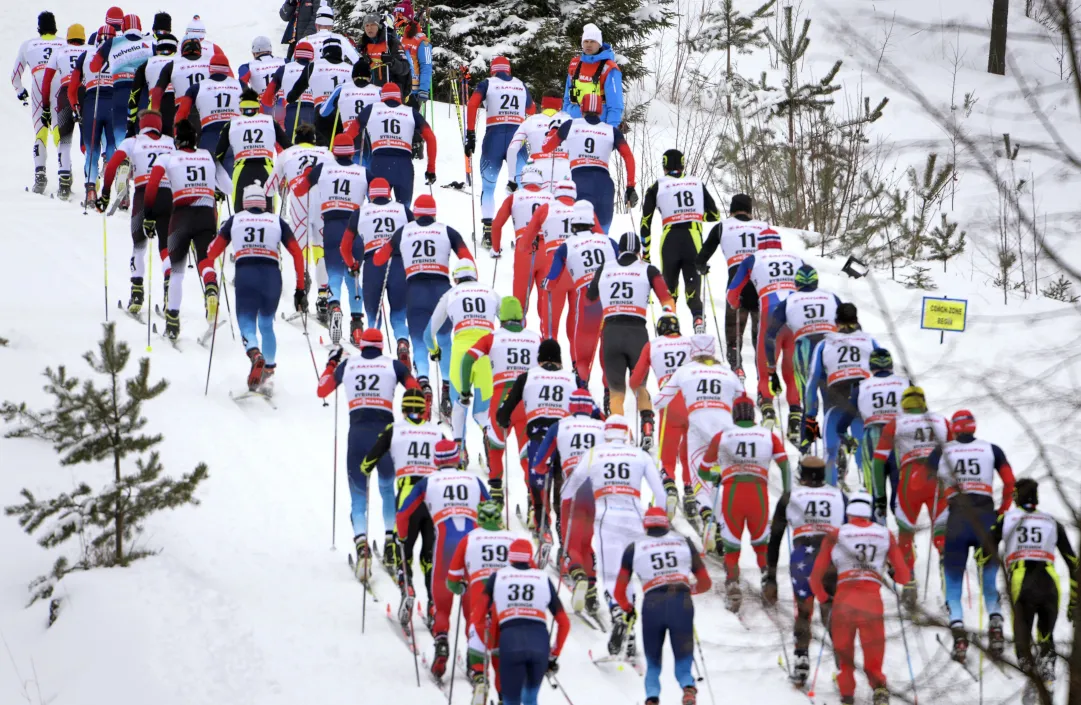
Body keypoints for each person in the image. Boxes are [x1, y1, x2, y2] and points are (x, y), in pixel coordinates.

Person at [561, 414, 670, 658]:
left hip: (606, 520)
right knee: (628, 576)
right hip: (635, 519)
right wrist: (660, 518)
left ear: (606, 433)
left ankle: (618, 613)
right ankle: (630, 635)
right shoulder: (639, 455)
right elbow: (659, 493)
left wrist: (565, 501)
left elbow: (573, 483)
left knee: (611, 575)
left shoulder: (594, 453)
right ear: (627, 433)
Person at [316, 331, 422, 578]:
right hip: (385, 434)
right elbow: (415, 391)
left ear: (361, 346)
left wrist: (331, 362)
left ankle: (362, 545)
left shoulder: (348, 364)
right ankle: (390, 542)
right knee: (387, 490)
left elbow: (322, 390)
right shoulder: (391, 365)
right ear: (382, 346)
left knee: (358, 495)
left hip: (358, 434)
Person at [397, 439, 491, 679]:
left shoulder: (428, 481)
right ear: (457, 458)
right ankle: (475, 656)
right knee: (474, 605)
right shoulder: (474, 480)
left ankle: (441, 642)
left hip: (446, 544)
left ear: (436, 460)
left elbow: (404, 512)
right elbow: (492, 512)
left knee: (441, 600)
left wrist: (403, 536)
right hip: (473, 545)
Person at [198, 183, 306, 391]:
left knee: (246, 322)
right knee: (266, 324)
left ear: (245, 203)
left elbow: (212, 252)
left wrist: (208, 270)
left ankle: (255, 354)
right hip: (271, 275)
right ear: (264, 203)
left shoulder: (236, 220)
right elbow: (297, 253)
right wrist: (300, 288)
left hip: (246, 273)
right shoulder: (276, 221)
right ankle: (269, 370)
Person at [928, 409, 1016, 661]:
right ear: (974, 427)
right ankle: (996, 628)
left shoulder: (944, 450)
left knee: (954, 581)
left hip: (957, 518)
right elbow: (1011, 483)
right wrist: (1003, 510)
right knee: (988, 581)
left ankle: (958, 633)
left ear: (954, 428)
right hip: (986, 518)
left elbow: (924, 479)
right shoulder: (993, 449)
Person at [373, 194, 475, 410]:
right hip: (441, 289)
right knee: (445, 339)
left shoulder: (405, 231)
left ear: (416, 213)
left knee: (419, 339)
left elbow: (379, 259)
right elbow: (468, 260)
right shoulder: (447, 230)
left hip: (415, 289)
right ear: (434, 213)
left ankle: (423, 383)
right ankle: (447, 389)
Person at [809, 491, 910, 705]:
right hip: (872, 601)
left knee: (845, 658)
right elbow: (904, 576)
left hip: (843, 601)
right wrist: (892, 572)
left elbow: (815, 580)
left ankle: (847, 694)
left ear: (849, 511)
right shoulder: (884, 535)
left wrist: (824, 598)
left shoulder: (836, 534)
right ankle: (879, 688)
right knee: (873, 654)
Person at [697, 393, 790, 610]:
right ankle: (768, 580)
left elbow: (703, 470)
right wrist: (787, 493)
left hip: (732, 492)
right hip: (758, 492)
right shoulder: (767, 435)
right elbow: (785, 465)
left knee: (731, 544)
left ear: (735, 414)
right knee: (760, 542)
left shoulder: (723, 435)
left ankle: (732, 585)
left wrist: (716, 477)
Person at [142, 119, 232, 340]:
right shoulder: (208, 155)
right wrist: (212, 189)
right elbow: (228, 187)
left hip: (180, 215)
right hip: (206, 214)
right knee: (206, 259)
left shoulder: (168, 157)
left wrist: (148, 215)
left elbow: (152, 186)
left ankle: (172, 320)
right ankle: (210, 288)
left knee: (177, 270)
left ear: (177, 140)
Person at [359, 388, 444, 620]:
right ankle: (434, 603)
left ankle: (406, 587)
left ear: (404, 408)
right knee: (429, 556)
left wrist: (365, 468)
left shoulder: (394, 430)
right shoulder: (437, 433)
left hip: (408, 495)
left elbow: (370, 459)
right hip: (434, 498)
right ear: (424, 409)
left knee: (402, 549)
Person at [614, 506, 711, 705]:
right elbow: (705, 583)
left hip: (652, 604)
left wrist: (627, 608)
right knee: (683, 659)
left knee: (653, 664)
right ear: (666, 523)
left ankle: (651, 698)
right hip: (681, 603)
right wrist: (686, 589)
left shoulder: (634, 547)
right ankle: (688, 689)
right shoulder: (684, 541)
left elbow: (619, 590)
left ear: (645, 525)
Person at [586, 230, 675, 440]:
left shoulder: (605, 267)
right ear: (638, 251)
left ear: (619, 250)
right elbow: (667, 300)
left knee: (616, 391)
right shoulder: (648, 269)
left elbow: (590, 297)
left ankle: (619, 433)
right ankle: (647, 427)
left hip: (612, 331)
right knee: (640, 385)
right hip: (637, 332)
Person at [763, 456, 844, 687]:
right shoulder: (839, 495)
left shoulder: (791, 496)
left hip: (803, 557)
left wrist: (771, 577)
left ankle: (801, 660)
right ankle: (843, 664)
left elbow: (775, 539)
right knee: (830, 609)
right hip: (832, 557)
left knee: (803, 610)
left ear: (802, 474)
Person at [995, 478, 1077, 696]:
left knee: (1022, 637)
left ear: (1016, 497)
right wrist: (1075, 601)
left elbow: (985, 551)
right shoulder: (1051, 521)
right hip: (1050, 582)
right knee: (1046, 636)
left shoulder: (1007, 518)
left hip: (1022, 583)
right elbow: (1074, 563)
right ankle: (1046, 677)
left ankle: (1033, 678)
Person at [870, 386, 950, 608]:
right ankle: (949, 591)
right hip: (938, 482)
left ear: (904, 404)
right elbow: (956, 452)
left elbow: (878, 461)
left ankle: (909, 583)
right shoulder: (941, 420)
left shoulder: (896, 422)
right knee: (943, 536)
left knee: (905, 534)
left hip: (909, 480)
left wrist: (879, 497)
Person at [462, 297, 542, 507]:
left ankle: (496, 493)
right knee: (528, 452)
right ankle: (534, 503)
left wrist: (464, 390)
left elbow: (468, 358)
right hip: (528, 400)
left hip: (501, 397)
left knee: (495, 445)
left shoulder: (493, 337)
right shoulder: (536, 338)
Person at [530, 389, 604, 617]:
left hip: (572, 487)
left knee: (572, 541)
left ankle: (579, 575)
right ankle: (591, 589)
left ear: (570, 407)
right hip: (597, 489)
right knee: (586, 539)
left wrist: (543, 470)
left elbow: (540, 463)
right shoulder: (602, 427)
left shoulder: (559, 426)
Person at [471, 538, 571, 705]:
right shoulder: (542, 578)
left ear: (510, 558)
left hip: (510, 641)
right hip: (539, 642)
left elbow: (477, 616)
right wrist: (553, 655)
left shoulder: (498, 577)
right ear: (529, 558)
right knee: (530, 698)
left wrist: (487, 643)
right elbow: (564, 623)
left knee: (511, 700)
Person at [495, 338, 578, 538]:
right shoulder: (572, 378)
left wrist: (503, 420)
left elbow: (504, 412)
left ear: (539, 360)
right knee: (561, 484)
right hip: (564, 439)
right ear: (559, 360)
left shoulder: (527, 377)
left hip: (540, 438)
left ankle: (542, 525)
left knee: (539, 484)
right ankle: (562, 527)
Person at [99, 111, 176, 314]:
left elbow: (112, 165)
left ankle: (137, 291)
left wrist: (105, 193)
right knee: (166, 248)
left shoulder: (133, 141)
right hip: (168, 195)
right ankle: (170, 291)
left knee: (139, 245)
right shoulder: (170, 142)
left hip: (143, 195)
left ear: (142, 125)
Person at [726, 228, 804, 425]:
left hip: (771, 312)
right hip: (796, 314)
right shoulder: (795, 258)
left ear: (759, 244)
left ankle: (767, 406)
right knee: (791, 368)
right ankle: (795, 410)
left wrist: (735, 304)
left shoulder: (754, 258)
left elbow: (732, 291)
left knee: (765, 367)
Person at [638, 149, 720, 332]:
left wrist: (646, 253)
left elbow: (645, 222)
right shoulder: (697, 182)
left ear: (664, 165)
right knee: (693, 289)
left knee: (670, 291)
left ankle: (671, 327)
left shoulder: (657, 186)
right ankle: (698, 320)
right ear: (683, 164)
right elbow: (715, 215)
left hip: (670, 239)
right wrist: (695, 216)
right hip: (693, 238)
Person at [296, 133, 367, 344]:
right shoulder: (363, 172)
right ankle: (357, 326)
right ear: (352, 153)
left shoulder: (323, 169)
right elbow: (379, 196)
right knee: (353, 276)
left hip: (332, 227)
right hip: (354, 227)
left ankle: (334, 305)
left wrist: (308, 175)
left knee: (334, 271)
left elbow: (300, 189)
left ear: (334, 152)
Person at [653, 334, 744, 495]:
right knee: (722, 473)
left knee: (698, 471)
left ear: (692, 351)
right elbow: (742, 400)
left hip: (697, 426)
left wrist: (649, 404)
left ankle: (694, 497)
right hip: (723, 429)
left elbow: (661, 400)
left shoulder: (684, 370)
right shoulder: (726, 372)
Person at [802, 303, 883, 486]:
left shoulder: (825, 343)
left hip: (836, 402)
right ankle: (869, 490)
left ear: (836, 322)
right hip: (860, 402)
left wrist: (810, 416)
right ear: (857, 321)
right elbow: (883, 372)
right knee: (864, 450)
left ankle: (831, 490)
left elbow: (813, 380)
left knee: (830, 452)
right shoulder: (869, 341)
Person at [542, 200, 618, 386]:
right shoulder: (609, 241)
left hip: (587, 300)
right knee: (606, 348)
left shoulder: (567, 245)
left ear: (573, 223)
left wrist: (546, 285)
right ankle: (610, 393)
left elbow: (552, 280)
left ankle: (581, 388)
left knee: (584, 354)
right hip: (611, 298)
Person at [447, 500, 515, 705]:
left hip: (480, 601)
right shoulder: (513, 538)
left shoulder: (469, 539)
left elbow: (451, 580)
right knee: (501, 651)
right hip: (508, 604)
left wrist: (461, 588)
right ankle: (505, 695)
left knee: (478, 641)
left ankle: (479, 678)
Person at [629, 314, 696, 518]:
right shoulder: (691, 342)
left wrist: (642, 393)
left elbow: (634, 381)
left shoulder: (653, 345)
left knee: (667, 457)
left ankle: (669, 489)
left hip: (669, 403)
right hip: (693, 401)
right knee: (688, 454)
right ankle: (690, 491)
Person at [424, 261, 501, 436]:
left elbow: (428, 334)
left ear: (455, 279)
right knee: (482, 413)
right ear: (475, 276)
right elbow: (514, 320)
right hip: (487, 354)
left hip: (460, 354)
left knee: (458, 408)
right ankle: (490, 442)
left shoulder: (450, 294)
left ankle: (460, 452)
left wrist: (434, 351)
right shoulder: (490, 292)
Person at [766, 264, 841, 440]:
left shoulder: (789, 301)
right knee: (831, 403)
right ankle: (835, 446)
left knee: (809, 402)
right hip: (832, 350)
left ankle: (808, 446)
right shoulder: (832, 297)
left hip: (805, 352)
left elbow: (770, 335)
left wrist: (771, 367)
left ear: (796, 284)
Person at [696, 194, 768, 377]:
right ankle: (763, 379)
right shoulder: (763, 227)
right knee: (759, 338)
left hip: (737, 286)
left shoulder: (722, 227)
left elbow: (701, 258)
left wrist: (702, 267)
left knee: (734, 337)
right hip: (761, 288)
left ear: (731, 210)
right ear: (750, 211)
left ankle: (737, 369)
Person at [543, 94, 636, 234]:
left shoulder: (570, 125)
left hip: (579, 182)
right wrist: (630, 186)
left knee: (578, 236)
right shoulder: (611, 130)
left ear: (581, 109)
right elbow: (628, 157)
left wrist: (554, 131)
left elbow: (546, 148)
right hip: (604, 185)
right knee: (602, 236)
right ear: (601, 111)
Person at [342, 177, 412, 363]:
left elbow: (344, 247)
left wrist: (352, 265)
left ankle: (372, 356)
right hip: (399, 264)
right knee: (398, 315)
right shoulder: (402, 209)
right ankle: (403, 343)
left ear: (370, 195)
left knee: (374, 315)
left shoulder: (361, 213)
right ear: (389, 193)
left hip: (373, 264)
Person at [465, 57, 535, 242]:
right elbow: (532, 109)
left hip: (494, 138)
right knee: (520, 187)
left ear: (492, 70)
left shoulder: (487, 83)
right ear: (509, 70)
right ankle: (521, 232)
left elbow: (472, 104)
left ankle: (488, 232)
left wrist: (470, 134)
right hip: (517, 139)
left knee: (489, 186)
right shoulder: (520, 84)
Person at [265, 123, 330, 321]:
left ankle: (302, 289)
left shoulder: (287, 153)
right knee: (321, 247)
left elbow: (269, 187)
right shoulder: (326, 153)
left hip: (299, 200)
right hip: (322, 200)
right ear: (313, 140)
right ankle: (323, 296)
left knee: (299, 248)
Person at [349, 81, 436, 209]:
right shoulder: (410, 112)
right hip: (403, 166)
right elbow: (431, 138)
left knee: (377, 210)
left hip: (379, 164)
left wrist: (342, 159)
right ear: (399, 97)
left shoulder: (372, 109)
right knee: (403, 212)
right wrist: (431, 168)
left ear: (382, 96)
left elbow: (349, 134)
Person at [516, 179, 583, 339]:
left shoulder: (546, 208)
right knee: (577, 323)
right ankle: (577, 362)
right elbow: (600, 238)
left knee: (550, 325)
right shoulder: (584, 210)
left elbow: (524, 244)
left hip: (555, 270)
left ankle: (549, 360)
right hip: (579, 271)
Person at [214, 87, 292, 214]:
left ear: (241, 108)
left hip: (241, 171)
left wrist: (217, 187)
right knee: (268, 217)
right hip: (266, 170)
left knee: (240, 216)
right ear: (257, 106)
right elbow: (288, 147)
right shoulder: (270, 121)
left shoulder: (231, 124)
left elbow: (219, 155)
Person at [12, 11, 65, 195]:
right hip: (58, 83)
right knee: (59, 130)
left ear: (39, 27)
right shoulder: (64, 43)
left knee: (40, 130)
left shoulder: (28, 44)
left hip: (38, 83)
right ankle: (64, 174)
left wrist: (21, 92)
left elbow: (15, 77)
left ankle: (40, 174)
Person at [69, 25, 117, 206]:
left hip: (92, 103)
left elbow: (73, 88)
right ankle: (113, 186)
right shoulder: (120, 53)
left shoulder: (86, 55)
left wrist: (75, 108)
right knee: (112, 144)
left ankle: (90, 190)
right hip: (113, 102)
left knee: (92, 148)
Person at [39, 23, 87, 201]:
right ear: (83, 38)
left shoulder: (60, 50)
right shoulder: (90, 49)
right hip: (85, 94)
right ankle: (92, 183)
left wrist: (45, 105)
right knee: (88, 140)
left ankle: (64, 182)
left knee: (65, 140)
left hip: (65, 95)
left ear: (67, 38)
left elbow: (46, 80)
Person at [855, 349, 909, 507]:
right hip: (899, 434)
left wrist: (844, 434)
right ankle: (900, 523)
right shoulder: (905, 382)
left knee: (873, 491)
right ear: (891, 365)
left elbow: (845, 419)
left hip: (873, 436)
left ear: (871, 366)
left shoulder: (861, 386)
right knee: (899, 490)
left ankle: (877, 524)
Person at [90, 13, 151, 150]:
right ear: (140, 28)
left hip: (120, 92)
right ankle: (139, 162)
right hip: (142, 93)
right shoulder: (149, 42)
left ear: (123, 28)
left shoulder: (113, 42)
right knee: (142, 131)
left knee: (120, 131)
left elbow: (94, 67)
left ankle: (123, 158)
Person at [287, 39, 353, 145]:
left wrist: (291, 97)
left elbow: (294, 93)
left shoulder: (313, 66)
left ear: (323, 51)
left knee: (323, 147)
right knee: (341, 146)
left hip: (322, 113)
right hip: (343, 114)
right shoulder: (350, 68)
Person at [563, 23, 623, 128]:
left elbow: (615, 104)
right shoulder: (575, 64)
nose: (588, 45)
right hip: (573, 124)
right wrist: (563, 118)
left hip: (598, 126)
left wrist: (612, 130)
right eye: (586, 41)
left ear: (599, 44)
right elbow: (567, 97)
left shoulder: (609, 68)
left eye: (592, 41)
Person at [506, 91, 571, 188]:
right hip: (564, 169)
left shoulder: (531, 121)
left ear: (542, 105)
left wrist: (511, 177)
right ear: (560, 106)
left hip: (537, 170)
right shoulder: (570, 121)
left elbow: (512, 149)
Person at [317, 57, 380, 153]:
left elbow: (323, 112)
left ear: (353, 75)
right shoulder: (379, 90)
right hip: (371, 139)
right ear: (370, 77)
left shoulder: (341, 88)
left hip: (349, 137)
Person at [489, 167, 550, 262]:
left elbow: (496, 225)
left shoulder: (514, 197)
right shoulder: (551, 198)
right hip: (546, 248)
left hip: (524, 244)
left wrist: (496, 249)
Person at [261, 40, 315, 140]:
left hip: (292, 110)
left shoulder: (284, 69)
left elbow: (267, 97)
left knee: (291, 145)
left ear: (295, 54)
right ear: (312, 56)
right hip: (312, 110)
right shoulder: (316, 68)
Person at [127, 33, 178, 137]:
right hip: (179, 110)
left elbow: (134, 95)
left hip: (155, 113)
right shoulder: (181, 62)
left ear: (157, 49)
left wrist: (130, 124)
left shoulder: (147, 63)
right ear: (175, 49)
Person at [149, 34, 210, 120]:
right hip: (206, 113)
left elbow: (157, 92)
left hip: (183, 114)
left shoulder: (172, 65)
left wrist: (154, 113)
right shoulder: (210, 63)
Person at [356, 13, 412, 89]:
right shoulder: (363, 46)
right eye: (367, 25)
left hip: (390, 89)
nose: (369, 28)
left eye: (373, 25)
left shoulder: (391, 42)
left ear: (379, 26)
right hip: (369, 90)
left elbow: (405, 68)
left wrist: (392, 62)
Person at [392, 6, 432, 111]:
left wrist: (423, 89)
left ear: (408, 19)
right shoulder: (394, 37)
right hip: (395, 88)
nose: (397, 20)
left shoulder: (421, 40)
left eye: (400, 17)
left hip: (412, 91)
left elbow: (426, 65)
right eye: (395, 17)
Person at [238, 37, 285, 122]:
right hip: (283, 105)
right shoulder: (284, 61)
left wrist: (250, 98)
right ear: (270, 51)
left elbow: (242, 81)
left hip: (263, 107)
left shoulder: (247, 66)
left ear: (254, 53)